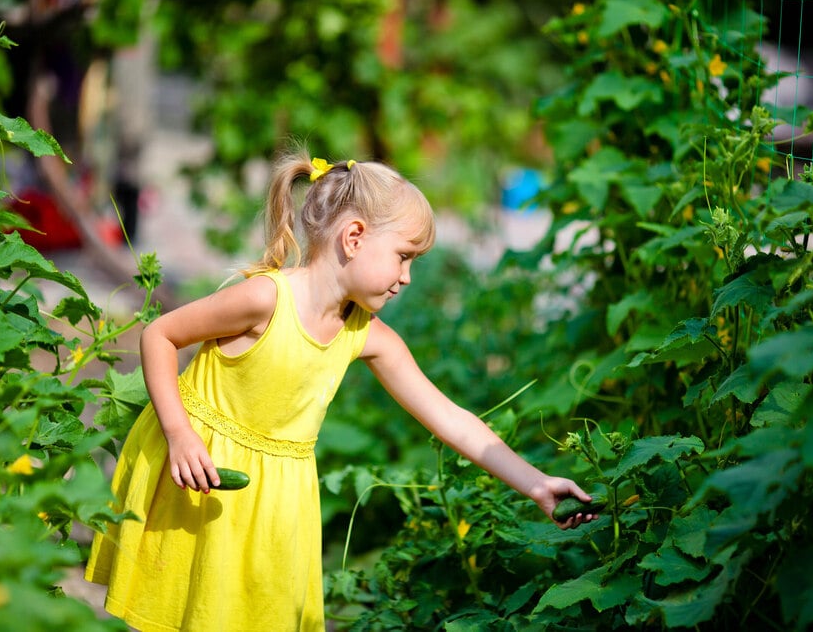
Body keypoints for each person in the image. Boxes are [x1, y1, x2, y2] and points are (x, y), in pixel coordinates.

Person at [84, 152, 598, 631]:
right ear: (354, 237)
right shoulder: (266, 298)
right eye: (403, 257)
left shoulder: (366, 335)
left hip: (276, 505)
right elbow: (160, 334)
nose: (408, 278)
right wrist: (178, 433)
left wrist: (536, 484)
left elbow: (449, 416)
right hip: (198, 476)